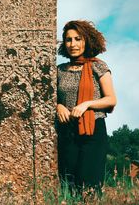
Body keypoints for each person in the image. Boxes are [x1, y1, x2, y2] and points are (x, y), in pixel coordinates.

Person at [56, 20, 117, 196]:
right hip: (67, 132)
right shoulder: (59, 70)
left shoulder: (98, 66)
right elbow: (47, 99)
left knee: (89, 186)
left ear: (87, 40)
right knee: (70, 186)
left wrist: (87, 104)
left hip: (93, 131)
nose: (73, 44)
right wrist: (58, 105)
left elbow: (111, 99)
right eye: (68, 40)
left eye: (78, 38)